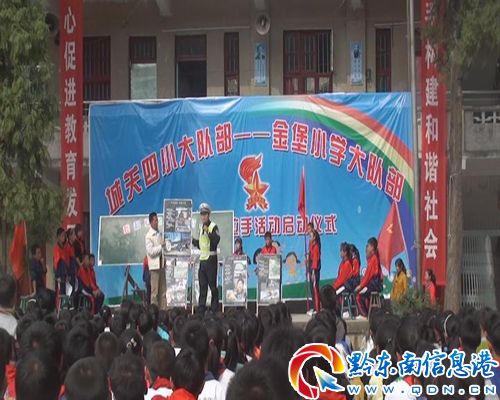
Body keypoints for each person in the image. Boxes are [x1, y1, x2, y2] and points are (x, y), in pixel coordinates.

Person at [192, 203, 220, 314]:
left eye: (205, 214)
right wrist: (193, 241)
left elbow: (216, 241)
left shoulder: (213, 226)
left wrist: (208, 231)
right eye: (201, 214)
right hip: (202, 260)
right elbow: (201, 244)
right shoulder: (200, 227)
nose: (203, 217)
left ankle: (214, 309)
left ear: (209, 215)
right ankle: (201, 311)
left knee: (212, 287)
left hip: (211, 260)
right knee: (202, 287)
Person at [355, 237, 382, 318]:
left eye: (368, 246)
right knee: (364, 295)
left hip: (373, 285)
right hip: (374, 284)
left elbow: (367, 276)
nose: (367, 247)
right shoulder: (373, 258)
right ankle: (368, 314)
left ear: (372, 247)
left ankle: (364, 314)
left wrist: (360, 286)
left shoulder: (373, 259)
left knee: (358, 296)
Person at [145, 212, 166, 308]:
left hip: (162, 265)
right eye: (155, 220)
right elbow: (151, 252)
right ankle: (154, 312)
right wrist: (161, 246)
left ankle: (163, 311)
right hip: (154, 267)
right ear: (151, 222)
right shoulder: (149, 236)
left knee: (163, 292)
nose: (157, 222)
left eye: (157, 220)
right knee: (155, 292)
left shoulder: (159, 233)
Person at [307, 228, 321, 314]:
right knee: (312, 288)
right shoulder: (312, 245)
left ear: (315, 237)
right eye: (309, 236)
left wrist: (313, 270)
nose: (310, 238)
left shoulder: (316, 247)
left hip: (314, 270)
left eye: (311, 236)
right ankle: (315, 307)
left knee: (315, 289)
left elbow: (315, 260)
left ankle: (317, 308)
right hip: (311, 268)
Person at [53, 227, 70, 296]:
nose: (64, 237)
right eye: (62, 235)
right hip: (59, 276)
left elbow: (66, 262)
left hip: (65, 275)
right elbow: (56, 263)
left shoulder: (64, 248)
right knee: (60, 294)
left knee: (65, 294)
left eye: (64, 235)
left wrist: (67, 274)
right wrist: (57, 276)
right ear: (58, 237)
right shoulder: (56, 248)